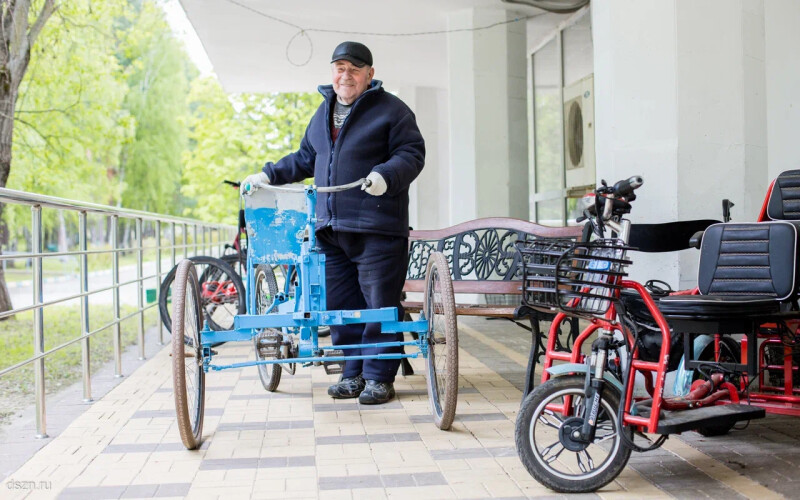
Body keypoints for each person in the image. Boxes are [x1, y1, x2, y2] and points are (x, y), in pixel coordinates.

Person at [241, 41, 425, 404]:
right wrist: (266, 175)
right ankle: (353, 373)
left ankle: (379, 378)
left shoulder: (392, 110)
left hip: (377, 227)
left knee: (378, 306)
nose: (346, 75)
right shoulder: (322, 113)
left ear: (369, 74)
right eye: (340, 68)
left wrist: (385, 175)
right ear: (332, 72)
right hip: (331, 228)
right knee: (341, 308)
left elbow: (412, 153)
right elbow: (305, 158)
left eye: (355, 69)